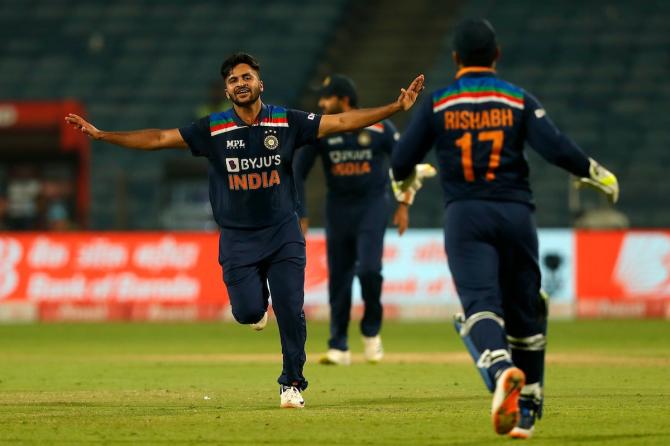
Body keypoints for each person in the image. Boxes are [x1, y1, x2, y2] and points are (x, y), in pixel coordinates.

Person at [65, 52, 424, 409]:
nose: (240, 84)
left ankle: (292, 383)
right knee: (248, 311)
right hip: (238, 237)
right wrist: (102, 135)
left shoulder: (287, 121)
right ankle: (255, 312)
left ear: (259, 83)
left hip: (283, 231)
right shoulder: (213, 129)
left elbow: (343, 121)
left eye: (246, 77)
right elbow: (158, 138)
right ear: (227, 91)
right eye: (233, 80)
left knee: (291, 308)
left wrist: (395, 107)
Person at [390, 19, 618, 437]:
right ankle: (526, 412)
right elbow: (556, 147)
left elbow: (401, 161)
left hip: (466, 215)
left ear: (456, 58)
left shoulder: (438, 103)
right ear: (497, 55)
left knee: (479, 307)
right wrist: (596, 173)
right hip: (515, 214)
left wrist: (406, 180)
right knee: (527, 308)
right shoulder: (517, 99)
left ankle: (500, 370)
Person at [294, 74, 408, 366]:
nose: (321, 103)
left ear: (343, 99)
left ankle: (371, 332)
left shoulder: (381, 128)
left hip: (372, 205)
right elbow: (297, 172)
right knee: (340, 278)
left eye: (326, 97)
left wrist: (403, 204)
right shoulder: (321, 130)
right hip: (338, 209)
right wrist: (302, 214)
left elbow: (404, 163)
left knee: (369, 270)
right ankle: (339, 346)